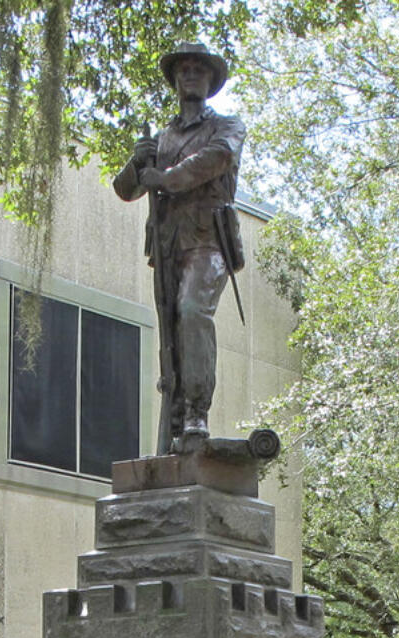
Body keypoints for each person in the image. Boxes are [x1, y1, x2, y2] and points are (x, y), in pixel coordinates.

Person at [113, 41, 245, 451]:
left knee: (192, 312)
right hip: (168, 245)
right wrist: (139, 163)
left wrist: (165, 179)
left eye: (198, 69)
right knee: (170, 331)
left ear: (210, 80)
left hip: (208, 240)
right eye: (183, 68)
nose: (190, 74)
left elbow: (216, 159)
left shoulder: (227, 126)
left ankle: (195, 412)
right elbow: (125, 189)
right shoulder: (162, 139)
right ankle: (174, 419)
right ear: (174, 80)